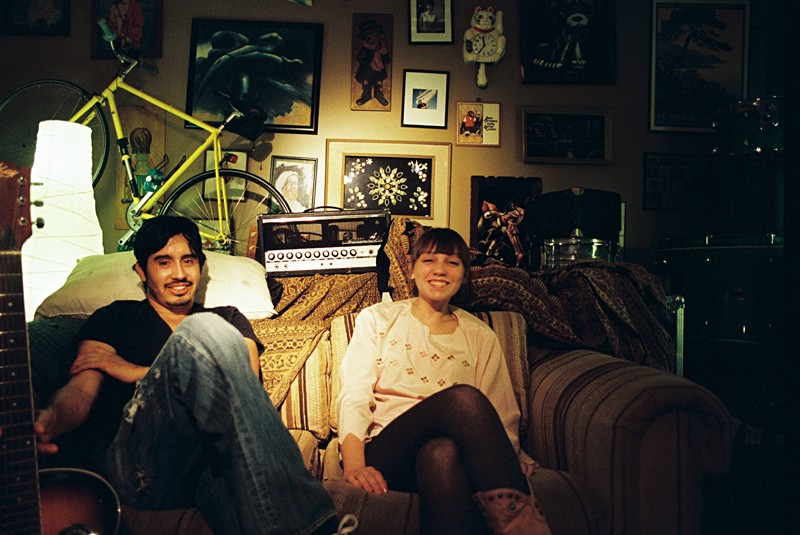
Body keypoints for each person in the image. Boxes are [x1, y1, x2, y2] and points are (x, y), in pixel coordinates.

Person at [26, 215, 355, 535]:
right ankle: (319, 525)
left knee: (239, 495)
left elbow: (241, 386)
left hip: (208, 465)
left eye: (189, 260)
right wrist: (52, 419)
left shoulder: (229, 319)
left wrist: (130, 370)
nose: (180, 273)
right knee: (203, 329)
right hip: (142, 466)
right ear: (141, 271)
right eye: (164, 262)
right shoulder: (114, 318)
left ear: (200, 267)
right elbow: (81, 390)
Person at [337, 227, 552, 535]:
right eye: (429, 260)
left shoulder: (480, 335)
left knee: (441, 454)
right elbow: (354, 395)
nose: (440, 270)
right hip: (390, 450)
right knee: (463, 398)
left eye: (452, 262)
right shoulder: (377, 319)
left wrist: (505, 455)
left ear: (463, 275)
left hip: (453, 454)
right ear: (412, 270)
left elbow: (500, 410)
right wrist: (355, 465)